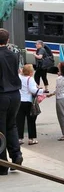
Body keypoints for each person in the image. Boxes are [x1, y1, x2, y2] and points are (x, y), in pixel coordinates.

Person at [0, 28, 23, 174]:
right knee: (11, 125)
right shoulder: (13, 55)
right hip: (15, 94)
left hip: (1, 95)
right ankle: (16, 156)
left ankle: (2, 164)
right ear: (7, 40)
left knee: (0, 131)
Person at [47, 63, 64, 141]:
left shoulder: (59, 79)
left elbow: (58, 89)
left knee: (62, 116)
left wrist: (52, 94)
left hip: (62, 97)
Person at [17, 64, 41, 146]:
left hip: (20, 101)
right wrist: (42, 91)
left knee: (20, 120)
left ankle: (19, 138)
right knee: (31, 120)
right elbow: (33, 90)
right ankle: (32, 138)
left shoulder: (19, 77)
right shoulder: (30, 79)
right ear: (30, 72)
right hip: (28, 101)